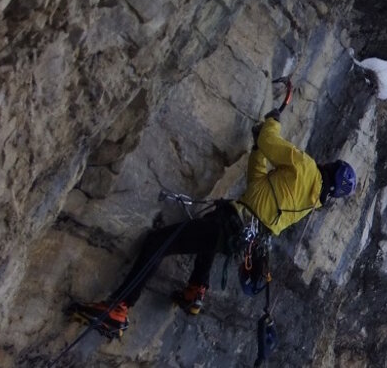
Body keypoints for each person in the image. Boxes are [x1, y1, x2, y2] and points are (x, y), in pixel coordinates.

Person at [69, 110, 357, 336]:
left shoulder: (305, 166)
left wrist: (272, 122)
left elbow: (272, 142)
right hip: (240, 234)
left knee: (159, 242)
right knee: (210, 229)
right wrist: (256, 150)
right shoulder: (311, 203)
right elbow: (258, 186)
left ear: (328, 167)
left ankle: (120, 307)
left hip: (231, 225)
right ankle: (196, 290)